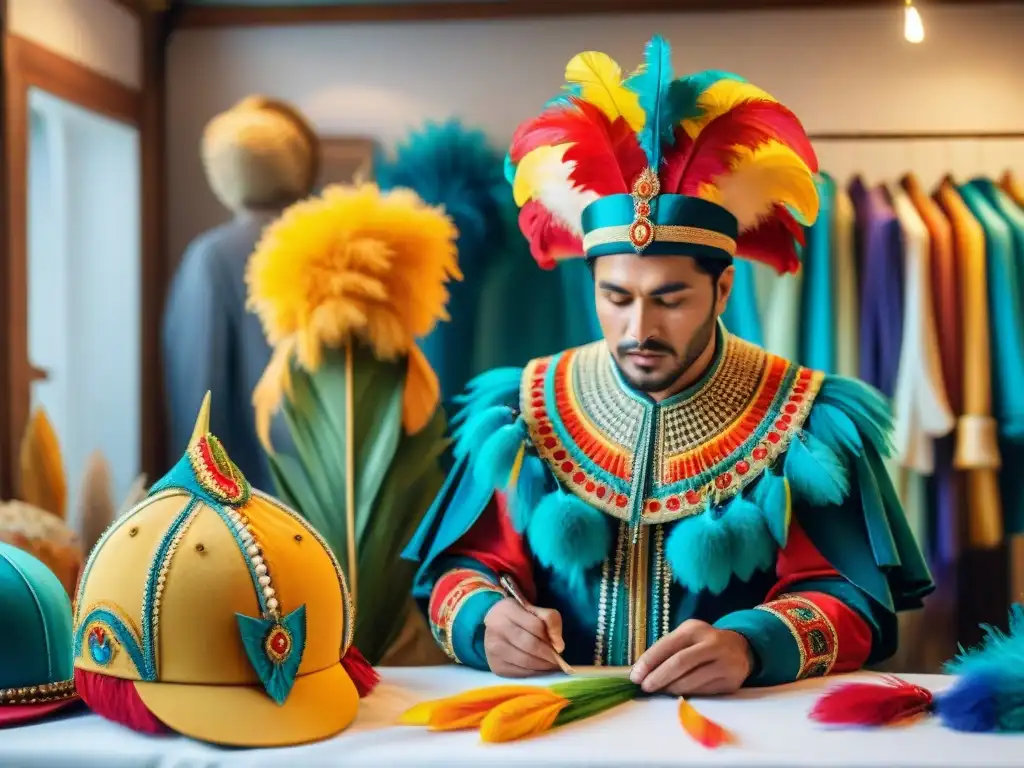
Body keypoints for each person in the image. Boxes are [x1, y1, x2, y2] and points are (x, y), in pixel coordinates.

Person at [403, 35, 934, 696]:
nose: (639, 328)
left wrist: (750, 644)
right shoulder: (524, 409)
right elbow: (462, 569)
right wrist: (487, 620)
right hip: (556, 732)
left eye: (670, 299)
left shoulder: (804, 419)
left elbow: (852, 601)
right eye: (616, 297)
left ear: (723, 289)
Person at [162, 96, 319, 492]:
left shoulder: (212, 255)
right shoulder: (332, 245)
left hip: (243, 489)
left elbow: (197, 384)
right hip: (327, 489)